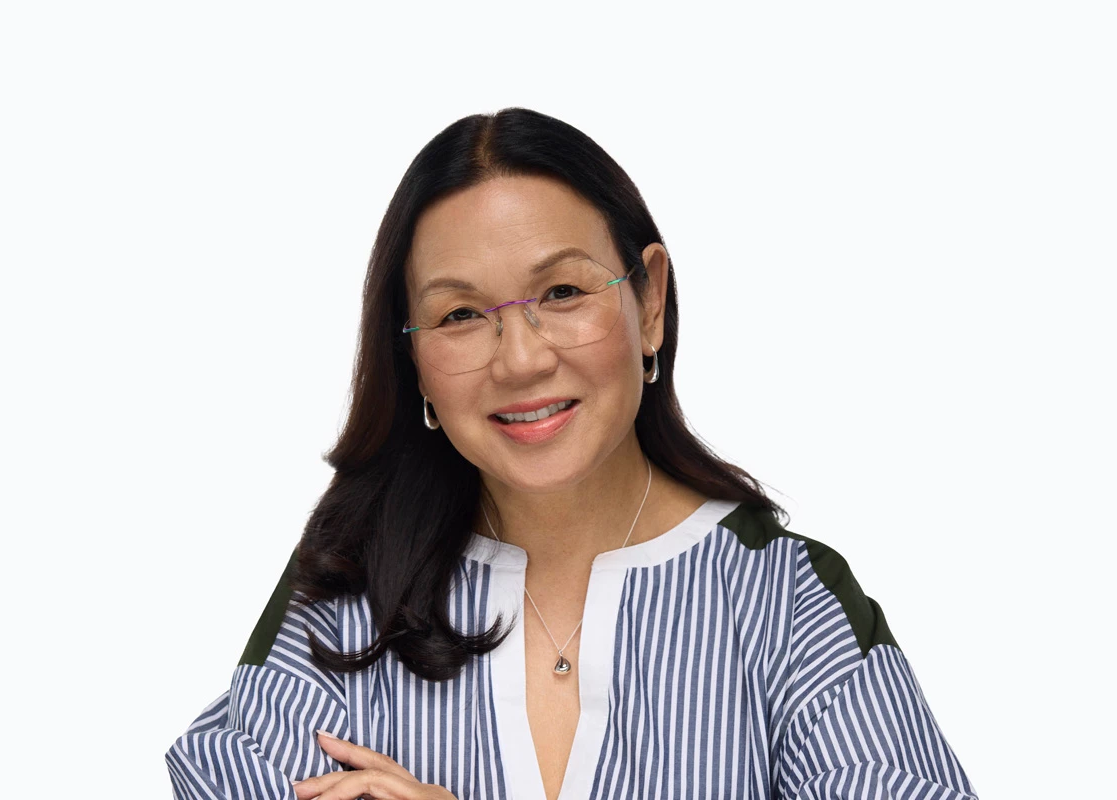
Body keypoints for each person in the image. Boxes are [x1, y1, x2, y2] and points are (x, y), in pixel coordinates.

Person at [164, 107, 979, 800]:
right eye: (459, 315)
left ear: (649, 302)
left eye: (561, 293)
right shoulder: (347, 587)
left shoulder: (787, 603)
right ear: (410, 356)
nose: (520, 360)